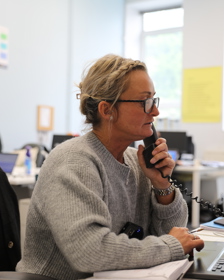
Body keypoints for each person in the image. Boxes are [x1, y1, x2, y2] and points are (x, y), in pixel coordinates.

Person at [16, 54, 204, 280]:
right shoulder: (73, 161)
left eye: (154, 100)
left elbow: (171, 233)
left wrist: (162, 184)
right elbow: (90, 252)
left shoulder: (138, 160)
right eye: (145, 101)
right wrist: (171, 246)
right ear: (107, 110)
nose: (155, 112)